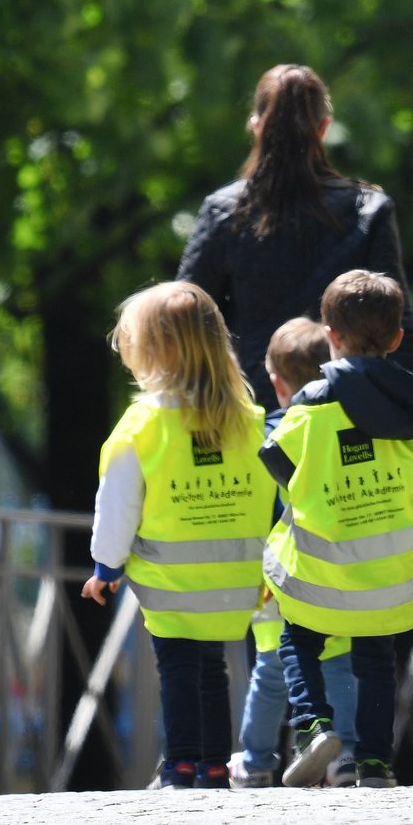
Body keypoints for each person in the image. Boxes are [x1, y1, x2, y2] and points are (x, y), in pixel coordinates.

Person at [261, 270, 413, 789]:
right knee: (376, 662)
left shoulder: (312, 400)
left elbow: (275, 457)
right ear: (397, 338)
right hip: (388, 574)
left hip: (319, 569)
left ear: (330, 334)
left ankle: (313, 727)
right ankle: (374, 762)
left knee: (297, 639)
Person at [81, 282, 273, 789]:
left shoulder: (142, 425)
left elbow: (118, 505)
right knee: (214, 671)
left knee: (178, 671)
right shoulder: (251, 423)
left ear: (149, 351)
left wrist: (106, 566)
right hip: (237, 582)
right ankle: (213, 765)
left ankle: (181, 764)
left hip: (171, 584)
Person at [177, 64, 413, 410]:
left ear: (256, 125)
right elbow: (394, 318)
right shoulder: (367, 210)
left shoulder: (223, 211)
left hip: (249, 407)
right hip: (347, 405)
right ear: (323, 128)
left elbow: (185, 318)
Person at [228, 317, 359, 789]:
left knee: (271, 670)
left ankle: (257, 759)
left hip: (277, 575)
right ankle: (346, 756)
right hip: (334, 568)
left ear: (277, 383)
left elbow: (254, 504)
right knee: (339, 664)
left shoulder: (267, 435)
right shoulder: (340, 427)